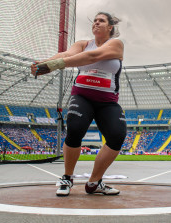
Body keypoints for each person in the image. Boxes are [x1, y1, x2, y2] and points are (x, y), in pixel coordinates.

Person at [31, 12, 127, 196]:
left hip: (107, 102)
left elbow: (92, 57)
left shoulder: (116, 44)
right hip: (82, 97)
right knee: (74, 129)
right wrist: (42, 64)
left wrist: (53, 65)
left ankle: (94, 182)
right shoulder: (83, 44)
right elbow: (66, 54)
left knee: (117, 135)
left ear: (110, 27)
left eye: (102, 21)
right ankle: (67, 177)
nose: (97, 23)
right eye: (95, 21)